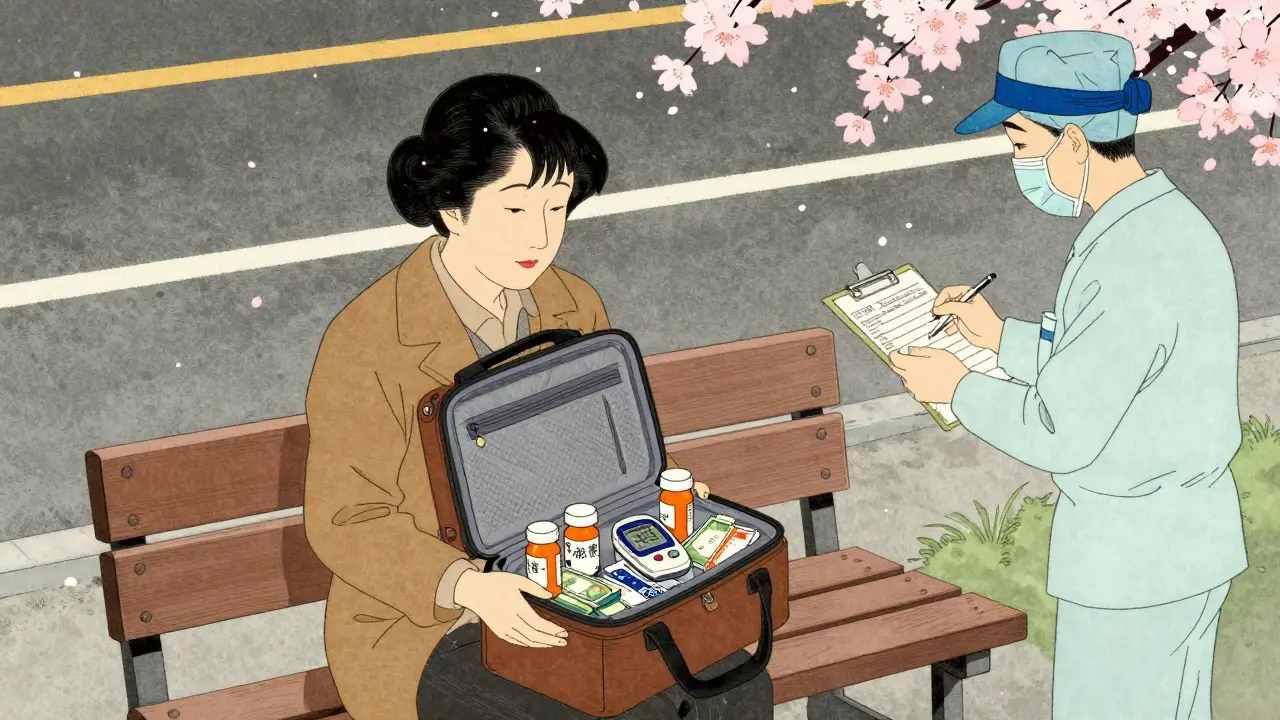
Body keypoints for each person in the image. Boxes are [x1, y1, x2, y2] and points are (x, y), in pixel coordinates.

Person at [302, 74, 771, 720]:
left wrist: (663, 492)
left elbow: (616, 448)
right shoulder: (370, 338)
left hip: (580, 583)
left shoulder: (572, 302)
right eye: (516, 210)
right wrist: (469, 586)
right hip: (432, 628)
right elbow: (347, 520)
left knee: (733, 686)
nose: (540, 237)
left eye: (556, 208)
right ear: (453, 208)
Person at [887, 31, 1249, 720]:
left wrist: (957, 388)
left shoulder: (1125, 259)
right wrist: (1000, 338)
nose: (1017, 162)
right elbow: (1123, 368)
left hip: (1131, 564)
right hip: (1189, 544)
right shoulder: (1168, 223)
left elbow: (1061, 430)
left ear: (1075, 143)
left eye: (1022, 143)